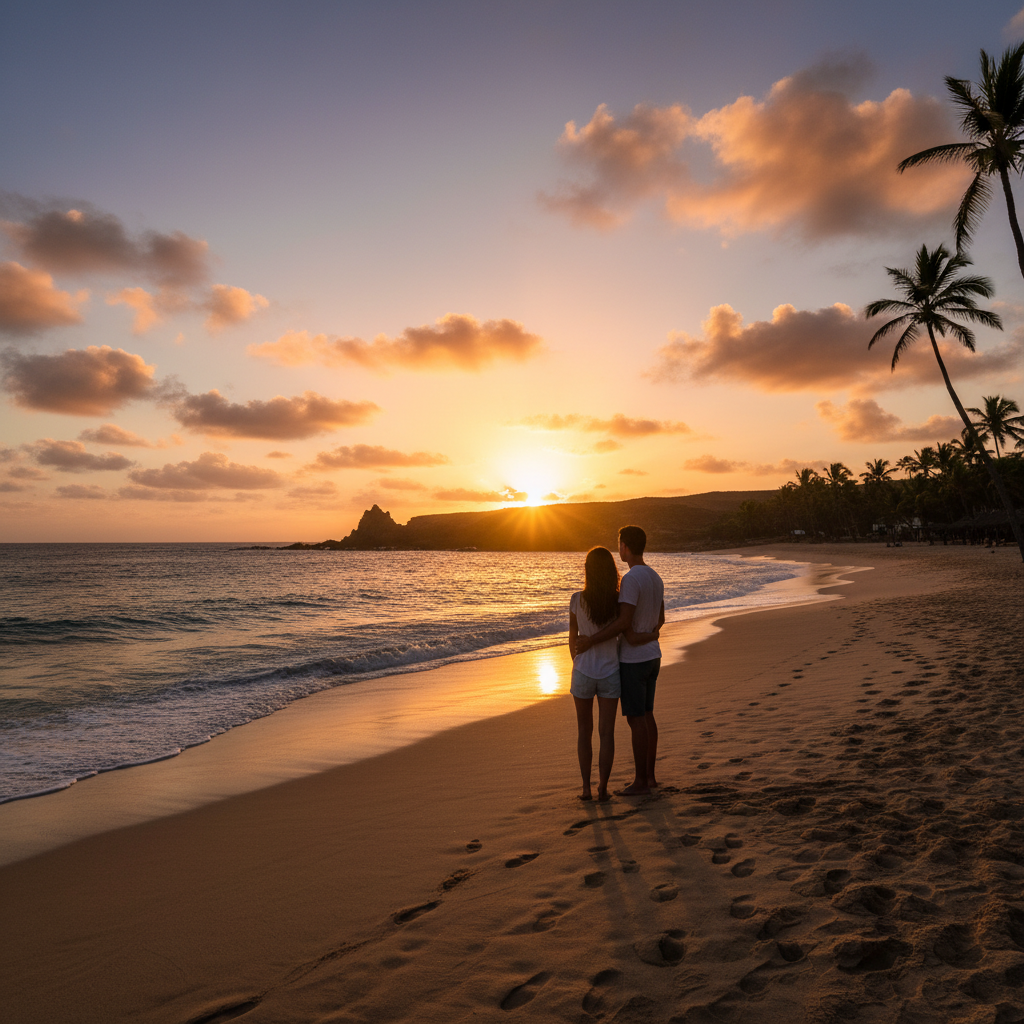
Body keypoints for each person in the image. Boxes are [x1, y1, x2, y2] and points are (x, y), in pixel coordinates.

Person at [575, 525, 664, 796]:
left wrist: (592, 640)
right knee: (647, 715)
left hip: (634, 660)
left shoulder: (631, 579)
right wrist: (650, 636)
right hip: (653, 656)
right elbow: (661, 618)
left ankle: (640, 782)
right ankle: (649, 777)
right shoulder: (655, 577)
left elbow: (623, 622)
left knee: (636, 719)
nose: (619, 549)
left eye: (619, 544)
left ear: (625, 546)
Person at [567, 546, 621, 802]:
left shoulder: (577, 599)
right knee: (606, 733)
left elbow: (572, 639)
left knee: (583, 731)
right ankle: (603, 788)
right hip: (611, 671)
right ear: (611, 571)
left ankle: (586, 789)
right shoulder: (618, 601)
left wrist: (578, 661)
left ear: (587, 570)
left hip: (584, 673)